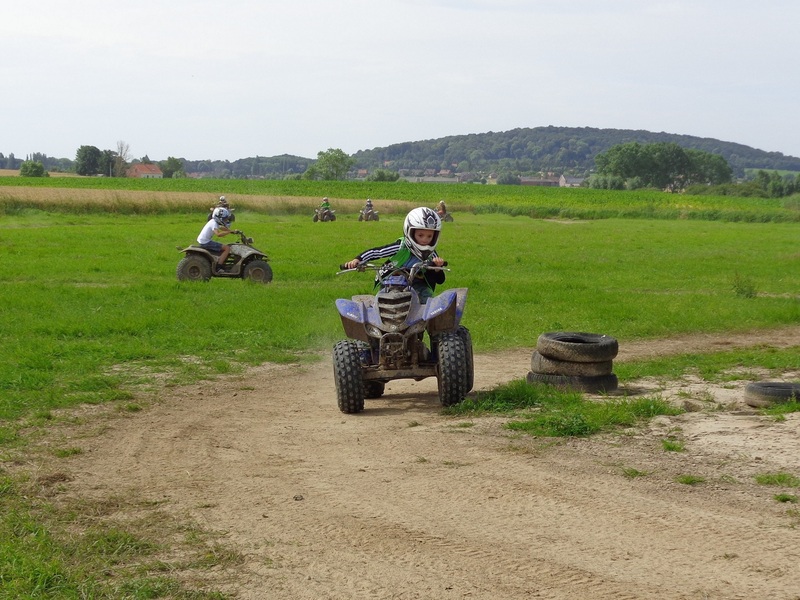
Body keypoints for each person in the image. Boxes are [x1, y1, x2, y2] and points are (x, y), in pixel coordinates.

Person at [343, 207, 445, 303]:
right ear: (410, 232)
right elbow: (377, 252)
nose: (424, 240)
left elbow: (440, 280)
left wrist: (437, 268)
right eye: (420, 235)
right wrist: (358, 259)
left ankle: (429, 321)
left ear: (435, 236)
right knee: (379, 301)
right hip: (391, 282)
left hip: (417, 284)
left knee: (428, 300)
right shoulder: (401, 247)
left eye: (429, 236)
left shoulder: (432, 254)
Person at [197, 206, 237, 271]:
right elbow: (218, 234)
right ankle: (219, 267)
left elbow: (221, 227)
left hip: (203, 240)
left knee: (224, 246)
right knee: (227, 248)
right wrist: (229, 232)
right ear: (219, 218)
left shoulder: (214, 221)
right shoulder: (214, 223)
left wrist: (231, 231)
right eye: (224, 219)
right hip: (205, 242)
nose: (225, 220)